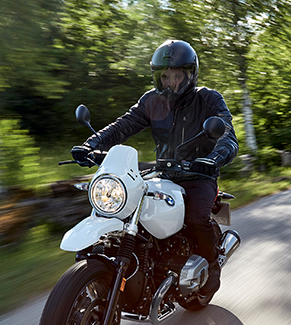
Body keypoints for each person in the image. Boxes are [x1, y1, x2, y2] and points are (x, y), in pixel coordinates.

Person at [71, 39, 239, 297]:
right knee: (124, 209)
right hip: (163, 173)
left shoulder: (208, 99)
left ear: (190, 75)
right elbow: (122, 126)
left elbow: (226, 133)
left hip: (198, 175)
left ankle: (212, 264)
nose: (170, 82)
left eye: (177, 76)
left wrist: (213, 160)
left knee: (196, 217)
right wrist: (90, 144)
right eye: (165, 76)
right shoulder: (151, 101)